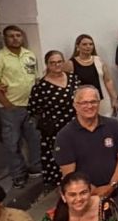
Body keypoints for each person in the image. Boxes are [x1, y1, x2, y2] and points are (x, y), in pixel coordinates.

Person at [0, 25, 41, 189]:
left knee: (34, 138)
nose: (15, 38)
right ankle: (18, 174)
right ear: (5, 38)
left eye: (18, 35)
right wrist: (7, 105)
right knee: (12, 142)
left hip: (30, 105)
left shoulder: (29, 55)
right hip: (10, 107)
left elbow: (34, 78)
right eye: (11, 36)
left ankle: (36, 168)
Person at [55, 86, 118, 208]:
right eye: (84, 102)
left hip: (115, 193)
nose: (89, 106)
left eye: (93, 101)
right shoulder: (65, 135)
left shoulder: (113, 125)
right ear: (75, 105)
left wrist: (112, 185)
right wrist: (91, 190)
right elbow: (69, 174)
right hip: (84, 199)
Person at [29, 51, 80, 189]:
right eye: (53, 62)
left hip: (75, 125)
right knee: (60, 160)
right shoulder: (41, 87)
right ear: (47, 65)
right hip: (55, 131)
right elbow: (34, 109)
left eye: (59, 62)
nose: (56, 65)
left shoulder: (73, 78)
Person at [68, 34, 118, 117]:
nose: (88, 47)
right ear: (78, 46)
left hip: (102, 101)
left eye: (91, 44)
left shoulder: (99, 60)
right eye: (84, 44)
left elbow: (108, 80)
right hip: (84, 103)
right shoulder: (71, 63)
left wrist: (114, 98)